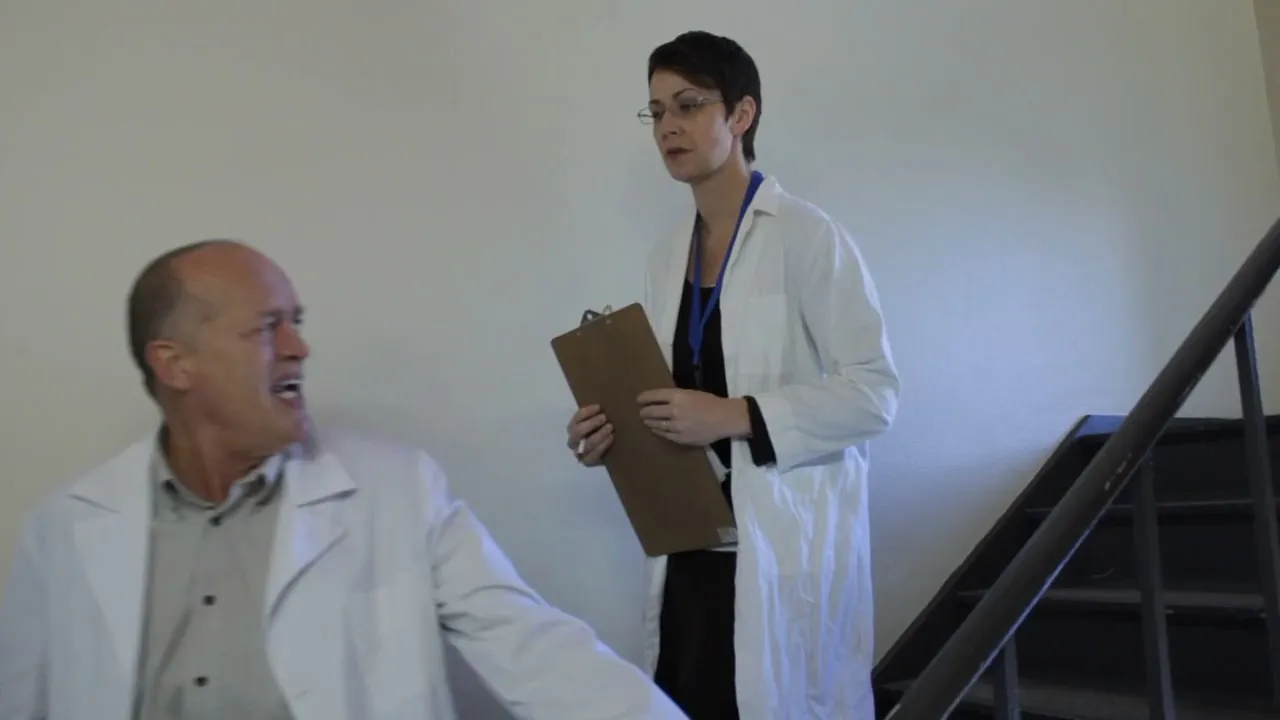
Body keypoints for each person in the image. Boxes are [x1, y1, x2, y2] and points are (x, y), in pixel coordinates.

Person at [0, 239, 687, 720]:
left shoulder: (400, 493)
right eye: (267, 328)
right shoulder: (65, 531)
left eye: (296, 323)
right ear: (174, 363)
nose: (300, 347)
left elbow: (540, 652)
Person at [565, 31, 900, 719]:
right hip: (689, 547)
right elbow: (670, 404)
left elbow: (875, 393)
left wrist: (736, 414)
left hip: (776, 550)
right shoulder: (666, 258)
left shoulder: (808, 237)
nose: (668, 126)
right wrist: (611, 435)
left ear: (742, 114)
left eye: (688, 105)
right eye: (657, 111)